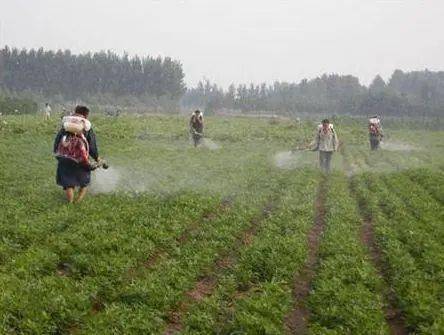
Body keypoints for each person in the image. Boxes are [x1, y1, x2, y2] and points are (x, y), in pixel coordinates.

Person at [53, 105, 100, 203]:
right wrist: (96, 157)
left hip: (65, 158)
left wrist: (56, 151)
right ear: (86, 115)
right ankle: (77, 202)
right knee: (84, 182)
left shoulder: (66, 124)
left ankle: (70, 202)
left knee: (68, 182)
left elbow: (58, 139)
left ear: (75, 112)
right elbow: (91, 145)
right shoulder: (86, 126)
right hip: (80, 159)